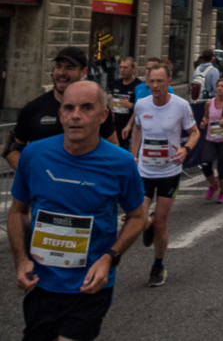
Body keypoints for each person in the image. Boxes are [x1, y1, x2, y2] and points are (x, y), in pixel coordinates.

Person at [8, 81, 147, 341]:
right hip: (41, 284)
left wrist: (110, 257)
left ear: (103, 115)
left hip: (90, 287)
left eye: (86, 108)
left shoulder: (120, 162)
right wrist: (20, 260)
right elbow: (17, 212)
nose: (75, 116)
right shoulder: (34, 155)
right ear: (60, 115)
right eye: (69, 108)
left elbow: (138, 217)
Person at [131, 61, 199, 286]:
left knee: (161, 223)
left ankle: (158, 265)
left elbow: (194, 132)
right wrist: (134, 156)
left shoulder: (180, 106)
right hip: (145, 170)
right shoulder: (141, 104)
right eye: (151, 81)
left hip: (169, 170)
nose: (155, 85)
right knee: (138, 218)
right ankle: (147, 223)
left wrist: (185, 149)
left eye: (160, 81)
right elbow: (138, 128)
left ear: (169, 82)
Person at [4, 47, 116, 170]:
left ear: (84, 71)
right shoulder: (34, 108)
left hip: (84, 184)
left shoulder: (96, 109)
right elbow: (12, 150)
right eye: (58, 67)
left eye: (69, 68)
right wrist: (33, 175)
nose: (62, 73)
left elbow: (114, 149)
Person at [198, 76, 223, 203]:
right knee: (206, 164)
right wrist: (203, 122)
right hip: (210, 139)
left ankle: (222, 192)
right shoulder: (209, 102)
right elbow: (206, 117)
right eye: (218, 86)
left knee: (221, 168)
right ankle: (213, 185)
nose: (220, 88)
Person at [110, 56, 143, 144]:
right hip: (116, 126)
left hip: (131, 127)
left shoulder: (139, 86)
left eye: (125, 67)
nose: (122, 70)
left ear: (133, 69)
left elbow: (143, 108)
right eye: (121, 67)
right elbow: (112, 101)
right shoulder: (115, 84)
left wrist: (130, 105)